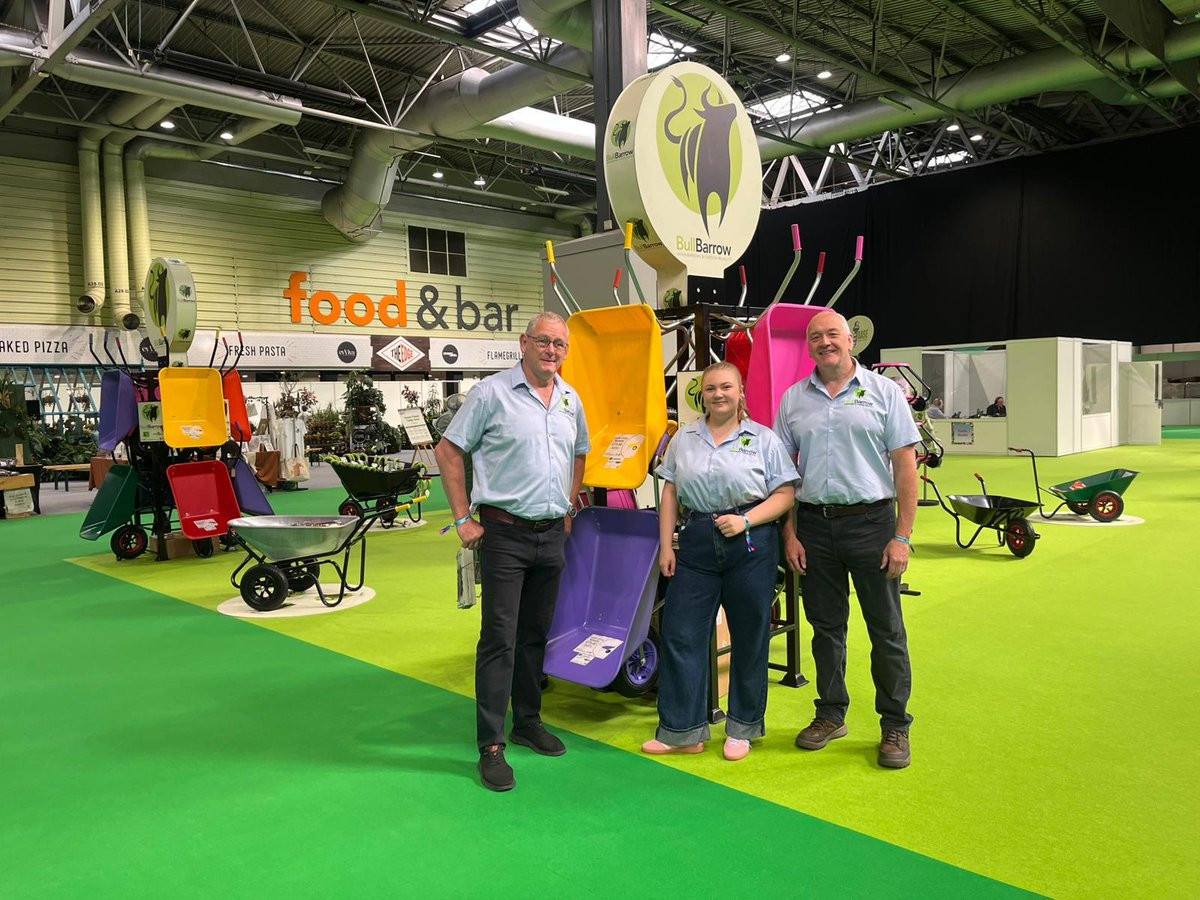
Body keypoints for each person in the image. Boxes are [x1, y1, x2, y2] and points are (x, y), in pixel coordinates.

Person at [435, 312, 590, 792]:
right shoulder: (491, 393)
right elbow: (448, 450)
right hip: (504, 534)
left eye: (559, 344)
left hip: (551, 534)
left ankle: (527, 721)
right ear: (524, 343)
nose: (551, 350)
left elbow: (579, 453)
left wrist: (568, 504)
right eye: (543, 341)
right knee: (499, 638)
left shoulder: (570, 398)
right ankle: (491, 745)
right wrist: (462, 518)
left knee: (535, 635)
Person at [773, 311, 920, 769]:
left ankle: (894, 724)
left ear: (850, 339)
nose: (825, 342)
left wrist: (902, 536)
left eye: (832, 334)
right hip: (814, 527)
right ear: (808, 346)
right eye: (815, 336)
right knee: (825, 628)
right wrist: (790, 533)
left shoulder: (883, 392)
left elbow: (906, 466)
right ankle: (831, 714)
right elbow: (783, 476)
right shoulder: (793, 399)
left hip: (872, 524)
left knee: (886, 629)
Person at [643, 362, 798, 761]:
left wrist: (746, 520)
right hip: (696, 540)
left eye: (726, 387)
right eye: (710, 388)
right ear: (702, 395)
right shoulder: (685, 438)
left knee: (750, 634)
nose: (718, 394)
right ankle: (682, 731)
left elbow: (785, 494)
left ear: (740, 391)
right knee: (681, 632)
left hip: (750, 541)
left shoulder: (763, 439)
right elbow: (670, 492)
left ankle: (742, 727)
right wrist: (666, 547)